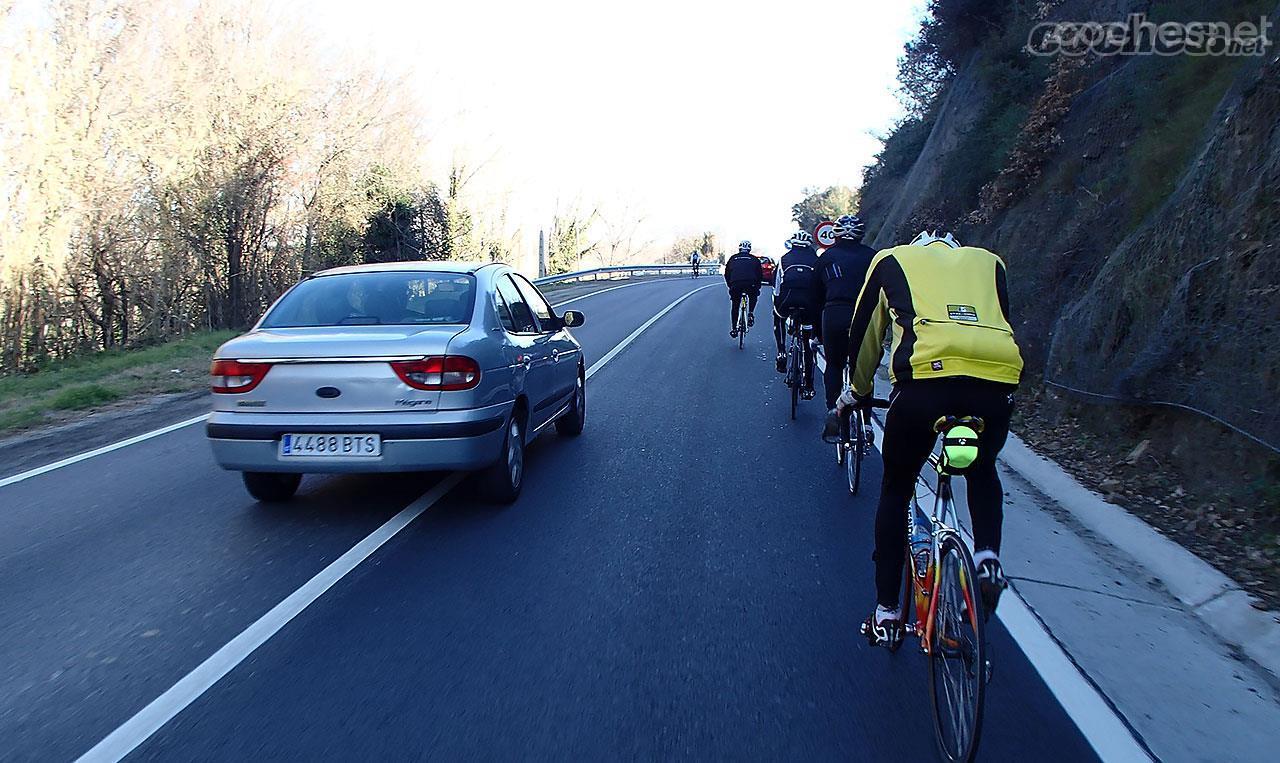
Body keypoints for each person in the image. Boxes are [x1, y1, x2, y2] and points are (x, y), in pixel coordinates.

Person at [835, 230, 1024, 648]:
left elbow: (865, 333)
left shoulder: (891, 260)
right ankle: (988, 559)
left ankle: (886, 610)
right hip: (995, 385)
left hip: (924, 386)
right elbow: (1001, 322)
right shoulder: (990, 261)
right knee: (981, 469)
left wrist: (860, 391)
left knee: (897, 488)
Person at [815, 215, 876, 415]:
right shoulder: (873, 257)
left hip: (835, 313)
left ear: (836, 236)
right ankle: (866, 421)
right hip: (864, 315)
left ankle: (833, 412)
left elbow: (816, 295)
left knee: (834, 364)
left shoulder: (826, 257)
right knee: (863, 369)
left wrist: (816, 331)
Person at [772, 230, 821, 396]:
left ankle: (781, 352)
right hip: (809, 304)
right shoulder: (816, 260)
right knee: (807, 342)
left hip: (787, 301)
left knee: (778, 317)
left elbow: (777, 288)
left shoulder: (784, 259)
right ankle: (808, 386)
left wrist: (778, 303)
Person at [723, 241, 764, 337]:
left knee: (735, 305)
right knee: (754, 295)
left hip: (736, 284)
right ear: (749, 249)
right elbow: (759, 276)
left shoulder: (733, 258)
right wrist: (757, 287)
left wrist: (730, 286)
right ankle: (750, 313)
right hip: (751, 284)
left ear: (739, 249)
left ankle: (734, 328)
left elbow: (727, 274)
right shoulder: (755, 259)